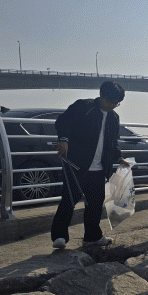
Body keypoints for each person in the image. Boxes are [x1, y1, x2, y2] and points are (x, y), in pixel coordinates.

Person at [51, 81, 128, 249]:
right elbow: (63, 122)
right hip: (76, 164)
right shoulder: (83, 107)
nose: (113, 106)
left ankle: (92, 237)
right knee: (69, 200)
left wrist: (119, 157)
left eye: (117, 103)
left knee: (95, 204)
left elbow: (113, 142)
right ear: (102, 96)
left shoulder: (114, 118)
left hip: (99, 168)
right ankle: (59, 236)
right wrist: (63, 140)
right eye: (111, 101)